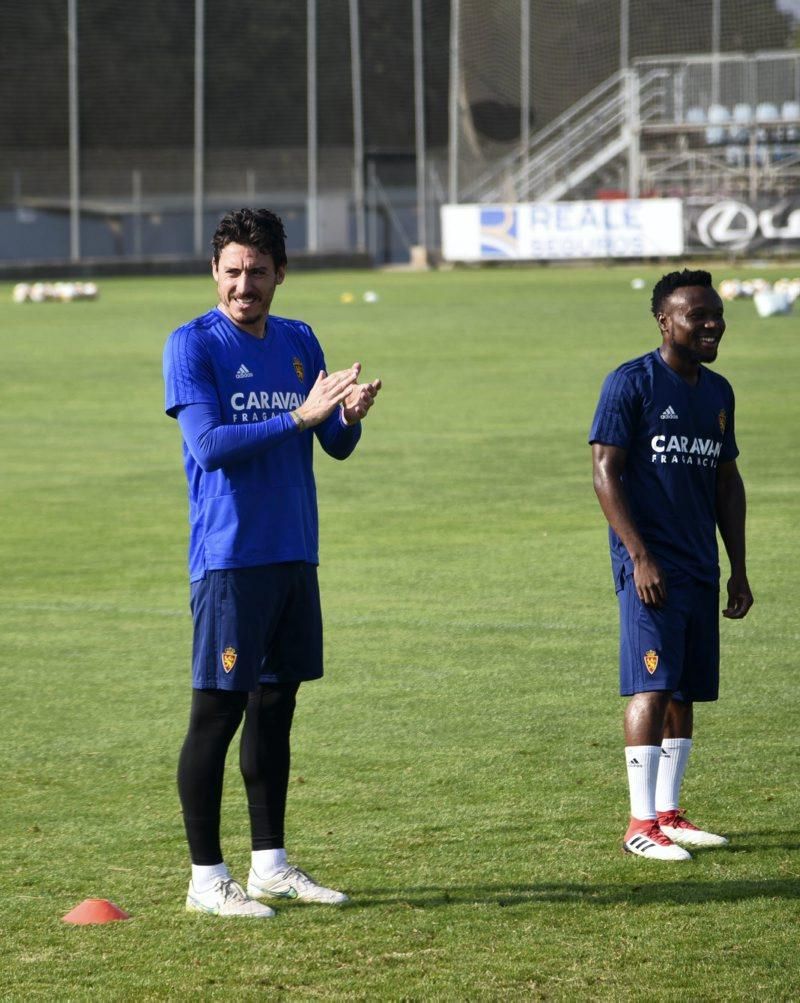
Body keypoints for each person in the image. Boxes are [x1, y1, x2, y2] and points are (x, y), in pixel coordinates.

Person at [163, 208, 381, 916]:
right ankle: (205, 879)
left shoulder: (298, 339)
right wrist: (298, 416)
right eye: (232, 271)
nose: (244, 285)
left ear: (280, 273)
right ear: (214, 272)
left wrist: (346, 416)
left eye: (258, 271)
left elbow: (333, 447)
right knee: (216, 714)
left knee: (276, 709)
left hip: (293, 552)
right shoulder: (192, 344)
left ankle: (270, 865)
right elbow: (210, 446)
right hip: (230, 558)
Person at [589, 268, 753, 861]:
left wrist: (737, 567)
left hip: (699, 567)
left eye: (716, 315)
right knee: (651, 686)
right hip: (649, 568)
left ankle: (669, 813)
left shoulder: (718, 392)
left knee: (683, 690)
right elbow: (605, 470)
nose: (712, 325)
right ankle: (639, 824)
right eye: (697, 316)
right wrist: (639, 556)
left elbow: (727, 483)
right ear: (665, 320)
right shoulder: (630, 383)